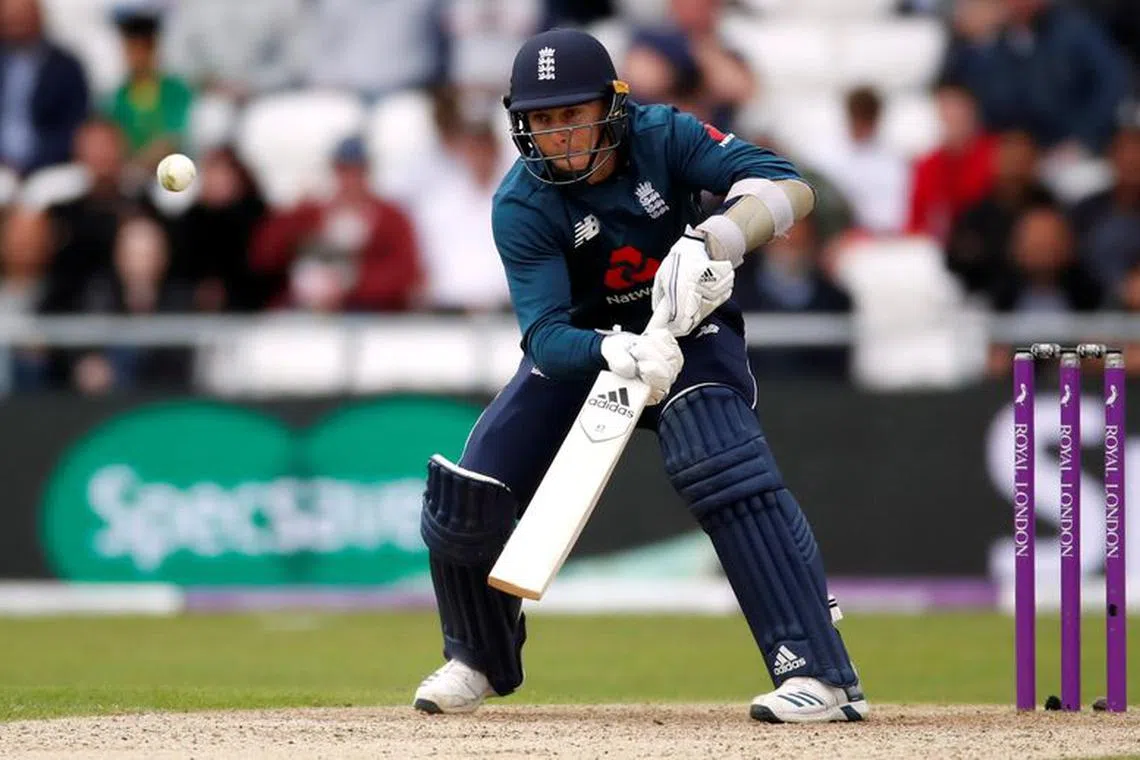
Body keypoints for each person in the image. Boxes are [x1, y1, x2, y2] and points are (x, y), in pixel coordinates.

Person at [411, 28, 867, 724]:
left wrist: (719, 238)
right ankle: (478, 658)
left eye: (573, 113)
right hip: (585, 351)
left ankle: (818, 674)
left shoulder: (664, 136)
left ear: (612, 106)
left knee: (719, 462)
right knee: (468, 494)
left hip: (690, 337)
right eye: (542, 119)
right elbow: (544, 337)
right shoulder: (521, 203)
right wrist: (612, 350)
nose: (559, 134)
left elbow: (788, 186)